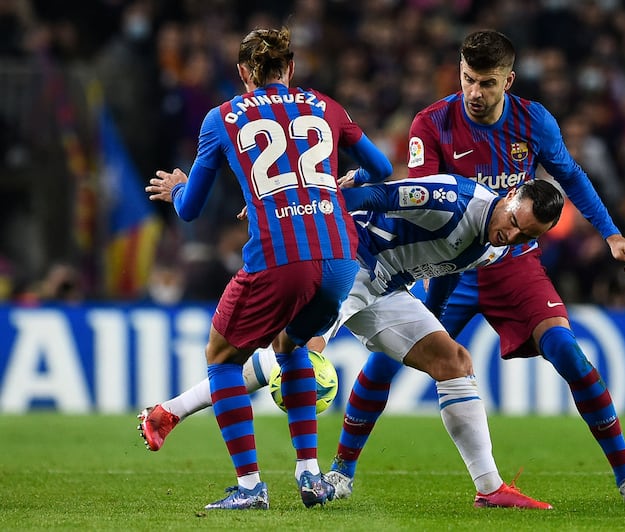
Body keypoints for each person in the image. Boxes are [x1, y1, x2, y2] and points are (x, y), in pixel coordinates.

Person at [324, 29, 625, 505]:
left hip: (513, 263)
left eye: (487, 83)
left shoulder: (534, 123)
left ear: (509, 79)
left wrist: (610, 233)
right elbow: (422, 203)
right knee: (387, 359)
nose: (475, 94)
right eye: (467, 80)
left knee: (568, 352)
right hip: (448, 267)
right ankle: (341, 472)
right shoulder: (433, 124)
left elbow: (570, 176)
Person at [139, 173, 565, 510]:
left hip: (389, 289)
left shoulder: (501, 246)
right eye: (513, 221)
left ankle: (490, 488)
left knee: (454, 361)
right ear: (509, 195)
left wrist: (434, 318)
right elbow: (374, 196)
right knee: (298, 355)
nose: (511, 235)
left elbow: (448, 267)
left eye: (525, 235)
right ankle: (172, 413)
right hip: (350, 263)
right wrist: (284, 218)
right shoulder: (453, 197)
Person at [143, 27, 392, 510]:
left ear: (242, 73)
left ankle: (251, 486)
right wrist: (340, 181)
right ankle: (310, 475)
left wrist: (176, 187)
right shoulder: (326, 105)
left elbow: (191, 210)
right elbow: (381, 166)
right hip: (340, 254)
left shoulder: (221, 119)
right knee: (290, 344)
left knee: (221, 357)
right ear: (292, 68)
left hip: (281, 255)